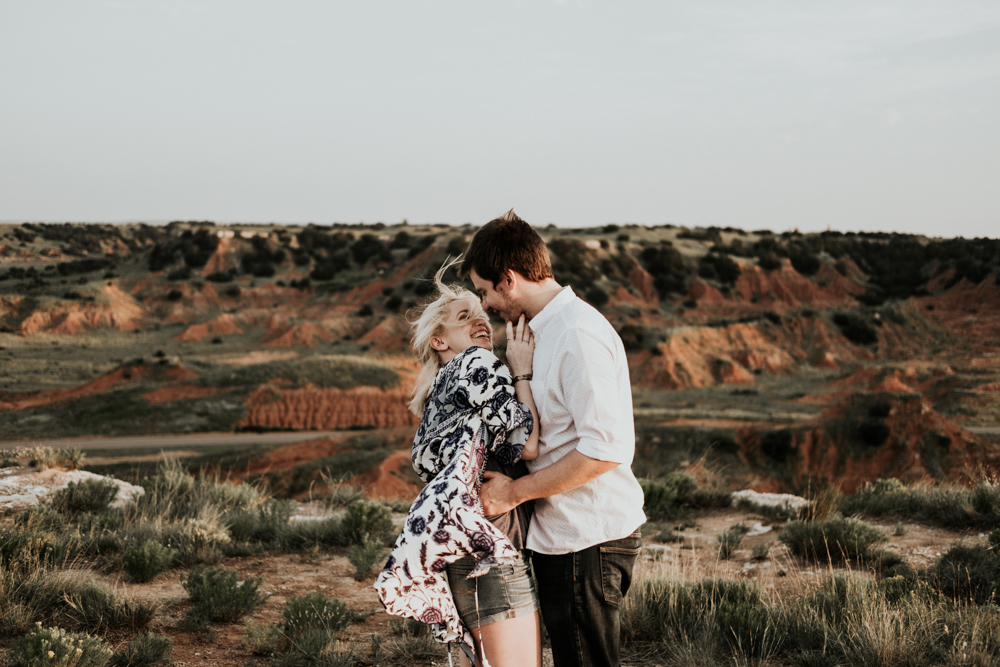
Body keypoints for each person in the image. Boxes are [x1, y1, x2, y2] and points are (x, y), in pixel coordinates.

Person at [460, 210, 646, 667]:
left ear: (509, 279)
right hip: (564, 539)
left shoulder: (576, 335)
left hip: (587, 540)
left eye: (485, 291)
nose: (485, 305)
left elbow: (605, 449)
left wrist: (513, 493)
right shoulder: (540, 333)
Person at [374, 260, 543, 667]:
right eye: (464, 317)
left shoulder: (439, 393)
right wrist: (521, 373)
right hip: (491, 547)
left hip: (458, 551)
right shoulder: (477, 365)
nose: (481, 321)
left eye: (482, 314)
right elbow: (530, 445)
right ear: (438, 340)